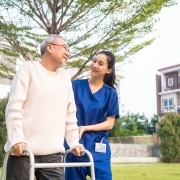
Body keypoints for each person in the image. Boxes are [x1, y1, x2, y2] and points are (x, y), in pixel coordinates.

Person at [4, 34, 84, 180]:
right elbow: (14, 107)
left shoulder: (64, 77)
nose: (68, 53)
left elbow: (70, 114)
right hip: (24, 151)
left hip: (52, 154)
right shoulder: (29, 69)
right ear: (50, 47)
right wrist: (16, 139)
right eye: (64, 48)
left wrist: (74, 143)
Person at [65, 50, 120, 180]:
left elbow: (109, 123)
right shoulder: (75, 86)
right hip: (75, 146)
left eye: (100, 63)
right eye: (94, 61)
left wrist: (85, 128)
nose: (94, 65)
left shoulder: (110, 93)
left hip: (98, 149)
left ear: (108, 70)